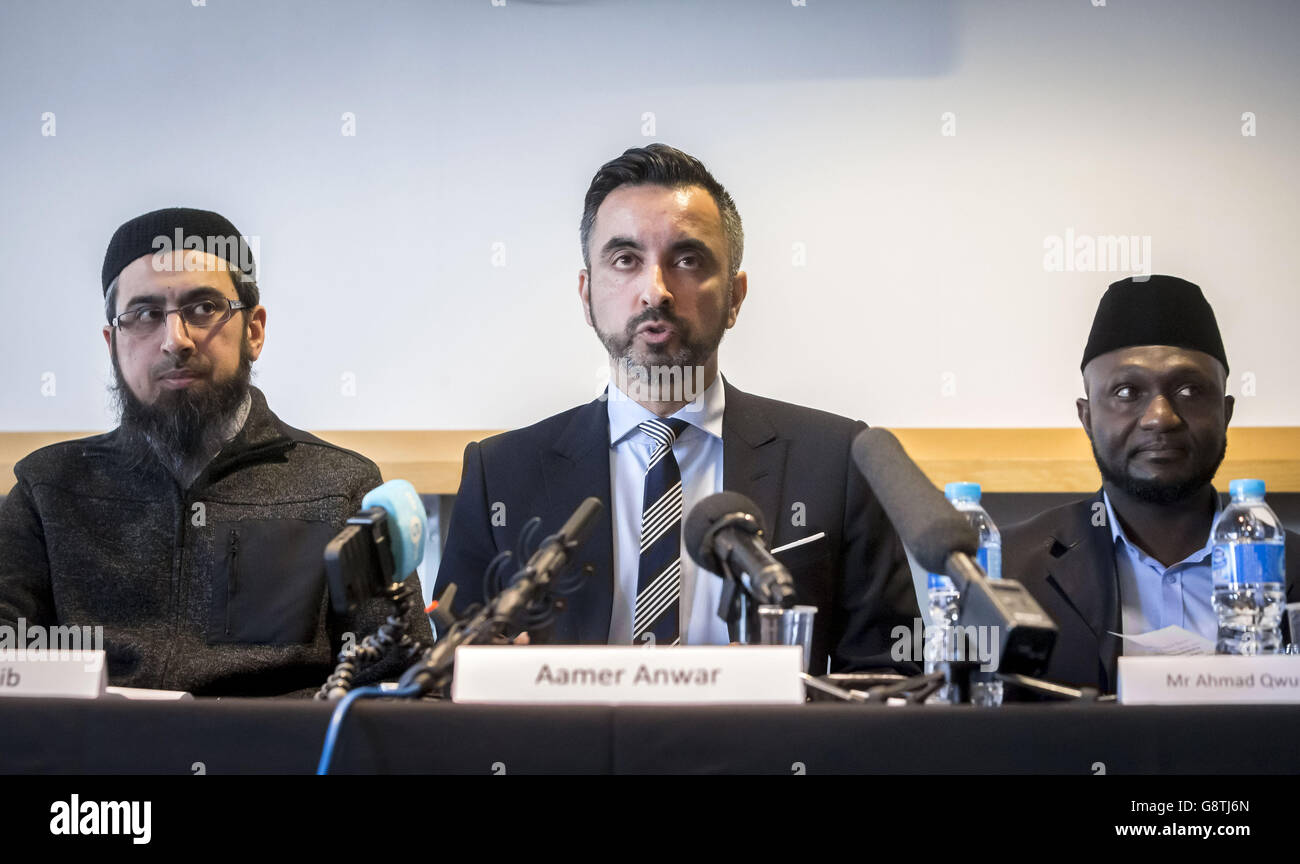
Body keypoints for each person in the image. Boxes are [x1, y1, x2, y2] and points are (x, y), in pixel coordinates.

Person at [434, 145, 918, 672]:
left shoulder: (837, 461)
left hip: (766, 755)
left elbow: (891, 678)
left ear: (735, 296)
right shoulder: (500, 474)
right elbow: (448, 681)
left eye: (687, 260)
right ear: (586, 293)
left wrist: (779, 698)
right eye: (625, 260)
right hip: (571, 754)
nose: (655, 290)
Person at [0, 207, 429, 696]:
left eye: (203, 308)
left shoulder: (339, 487)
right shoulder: (47, 488)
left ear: (254, 329)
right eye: (144, 315)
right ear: (112, 343)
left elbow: (398, 684)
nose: (175, 341)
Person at [1003, 275, 1299, 693]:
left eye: (1189, 389)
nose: (1161, 416)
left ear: (1226, 411)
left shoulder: (1294, 567)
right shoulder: (1007, 571)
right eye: (1127, 391)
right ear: (1087, 418)